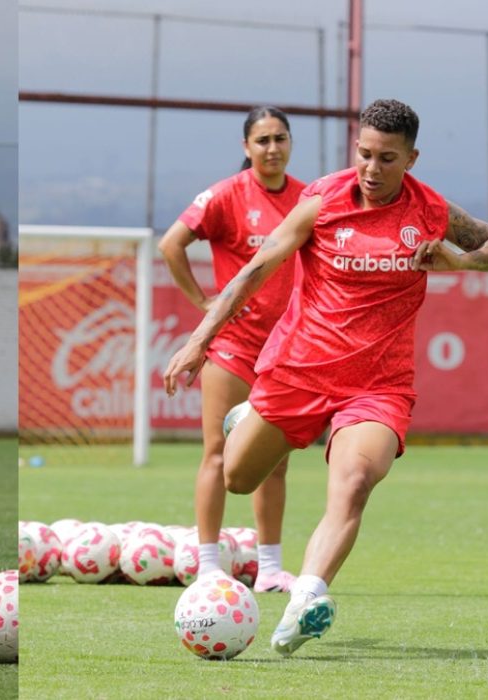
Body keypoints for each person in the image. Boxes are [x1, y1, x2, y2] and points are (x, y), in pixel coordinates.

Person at [163, 98, 488, 656]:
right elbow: (257, 269)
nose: (372, 169)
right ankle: (248, 420)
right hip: (299, 371)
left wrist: (462, 261)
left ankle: (307, 597)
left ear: (412, 159)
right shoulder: (322, 200)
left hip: (378, 385)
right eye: (365, 154)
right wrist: (199, 340)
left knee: (352, 483)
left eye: (387, 158)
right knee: (237, 478)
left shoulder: (432, 210)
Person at [158, 106, 302, 592]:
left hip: (284, 352)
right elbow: (171, 245)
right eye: (262, 140)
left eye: (280, 138)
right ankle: (208, 564)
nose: (272, 148)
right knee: (218, 455)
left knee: (275, 463)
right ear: (247, 147)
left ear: (290, 143)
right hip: (234, 349)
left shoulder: (307, 199)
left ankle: (270, 568)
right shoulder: (226, 195)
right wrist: (204, 303)